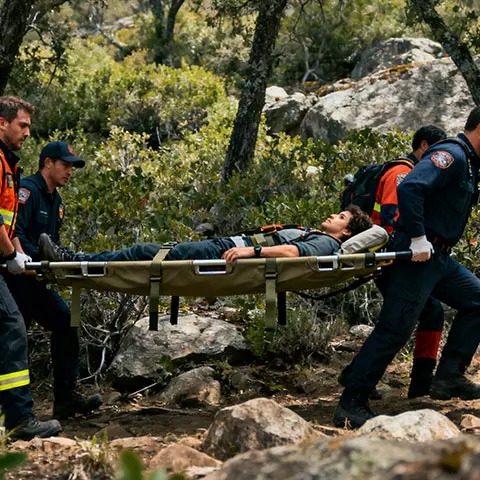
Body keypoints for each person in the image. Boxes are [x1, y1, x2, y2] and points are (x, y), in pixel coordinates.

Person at [333, 106, 480, 429]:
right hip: (416, 254)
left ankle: (449, 376)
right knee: (395, 328)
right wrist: (416, 236)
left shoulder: (471, 163)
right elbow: (410, 186)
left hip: (437, 257)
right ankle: (352, 402)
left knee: (477, 300)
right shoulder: (452, 155)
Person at [340, 125, 448, 399]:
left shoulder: (412, 172)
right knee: (402, 320)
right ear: (424, 146)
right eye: (436, 148)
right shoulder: (401, 173)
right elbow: (392, 217)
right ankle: (364, 379)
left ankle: (418, 382)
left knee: (426, 313)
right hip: (390, 258)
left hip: (392, 257)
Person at [7, 141, 103, 421]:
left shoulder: (56, 202)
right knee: (14, 340)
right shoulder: (27, 191)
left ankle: (65, 399)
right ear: (48, 163)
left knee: (65, 323)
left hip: (37, 281)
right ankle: (15, 410)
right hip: (15, 279)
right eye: (65, 165)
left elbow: (53, 245)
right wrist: (35, 259)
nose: (69, 172)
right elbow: (14, 233)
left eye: (72, 167)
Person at [0, 95, 62, 440]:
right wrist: (12, 254)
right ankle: (19, 419)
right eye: (22, 125)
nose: (27, 133)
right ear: (2, 123)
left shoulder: (8, 163)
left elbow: (6, 221)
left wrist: (15, 253)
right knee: (12, 327)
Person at [38, 205, 373, 263]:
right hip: (225, 246)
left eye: (341, 217)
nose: (333, 216)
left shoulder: (326, 242)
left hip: (226, 252)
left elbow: (292, 253)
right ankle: (74, 257)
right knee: (150, 251)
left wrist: (250, 252)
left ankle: (73, 259)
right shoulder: (319, 235)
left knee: (145, 252)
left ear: (346, 232)